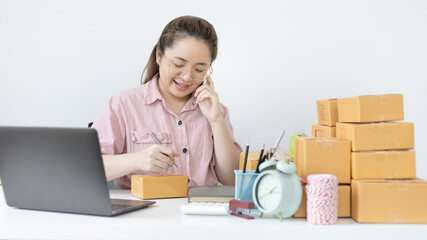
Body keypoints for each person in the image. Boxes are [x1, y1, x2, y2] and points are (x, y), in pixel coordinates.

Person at [92, 15, 242, 189]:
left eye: (199, 69)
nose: (187, 77)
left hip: (201, 212)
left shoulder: (217, 111)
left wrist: (216, 121)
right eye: (178, 64)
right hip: (143, 212)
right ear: (159, 55)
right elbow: (85, 167)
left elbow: (232, 180)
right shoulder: (123, 104)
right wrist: (136, 160)